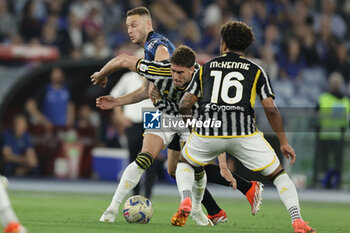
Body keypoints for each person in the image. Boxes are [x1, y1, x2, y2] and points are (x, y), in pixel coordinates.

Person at [91, 45, 262, 225]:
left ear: (191, 69)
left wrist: (223, 165)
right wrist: (105, 80)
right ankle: (112, 208)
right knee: (144, 158)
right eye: (173, 71)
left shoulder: (207, 86)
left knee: (190, 164)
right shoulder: (159, 69)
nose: (175, 77)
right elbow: (123, 60)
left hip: (191, 121)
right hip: (160, 115)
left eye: (180, 73)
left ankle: (195, 209)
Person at [176, 21, 316, 233]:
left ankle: (187, 200)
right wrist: (284, 142)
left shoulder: (206, 68)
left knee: (184, 163)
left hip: (209, 130)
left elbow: (185, 104)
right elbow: (271, 109)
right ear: (246, 47)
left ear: (223, 44)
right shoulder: (256, 70)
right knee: (279, 175)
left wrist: (194, 128)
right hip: (244, 133)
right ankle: (297, 221)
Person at [313, 72, 350, 189]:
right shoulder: (346, 101)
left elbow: (316, 115)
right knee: (336, 163)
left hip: (325, 136)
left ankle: (321, 183)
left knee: (324, 163)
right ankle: (334, 183)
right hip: (338, 136)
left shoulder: (324, 98)